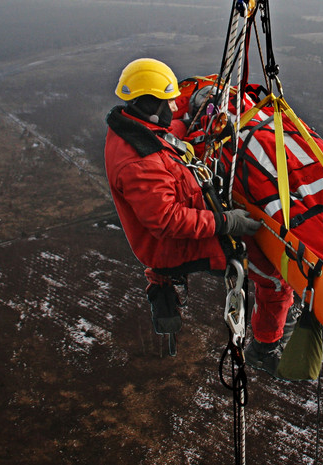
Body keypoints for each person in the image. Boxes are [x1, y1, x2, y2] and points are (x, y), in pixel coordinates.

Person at [104, 57, 293, 373]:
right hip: (176, 244)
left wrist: (190, 118)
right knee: (276, 280)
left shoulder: (133, 128)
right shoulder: (139, 163)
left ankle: (164, 280)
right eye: (166, 102)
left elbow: (166, 137)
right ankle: (265, 346)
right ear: (150, 105)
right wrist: (226, 222)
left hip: (178, 224)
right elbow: (167, 221)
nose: (171, 106)